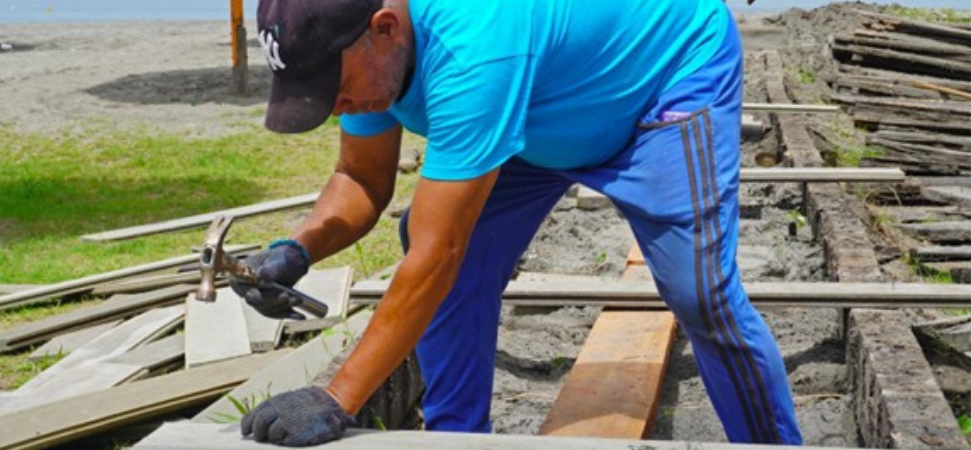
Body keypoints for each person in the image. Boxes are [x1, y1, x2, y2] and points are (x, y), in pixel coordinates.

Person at [232, 0, 803, 446]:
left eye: (335, 89)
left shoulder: (473, 46)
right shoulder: (366, 51)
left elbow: (437, 255)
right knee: (449, 259)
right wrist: (299, 249)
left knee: (700, 292)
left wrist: (337, 397)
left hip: (661, 76)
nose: (334, 108)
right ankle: (456, 440)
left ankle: (771, 446)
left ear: (385, 29)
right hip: (538, 104)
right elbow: (361, 179)